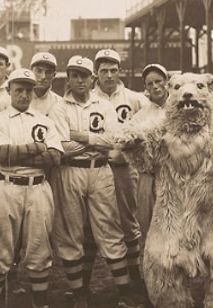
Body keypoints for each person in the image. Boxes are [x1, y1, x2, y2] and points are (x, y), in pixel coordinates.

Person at [48, 56, 139, 308]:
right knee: (71, 232)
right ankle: (79, 295)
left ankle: (124, 292)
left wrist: (79, 136)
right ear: (69, 77)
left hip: (100, 170)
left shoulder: (104, 105)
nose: (80, 80)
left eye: (84, 75)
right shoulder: (59, 107)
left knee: (110, 228)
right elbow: (61, 148)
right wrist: (93, 140)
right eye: (75, 75)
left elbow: (113, 140)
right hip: (69, 172)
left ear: (92, 78)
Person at [0, 69, 63, 308]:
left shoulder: (44, 120)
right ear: (9, 90)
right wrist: (37, 147)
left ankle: (40, 304)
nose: (24, 94)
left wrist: (18, 153)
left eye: (29, 89)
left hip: (37, 189)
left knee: (39, 250)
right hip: (4, 187)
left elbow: (55, 157)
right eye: (19, 89)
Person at [92, 49, 148, 291]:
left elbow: (147, 129)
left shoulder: (135, 98)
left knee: (129, 219)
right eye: (104, 70)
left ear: (120, 71)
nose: (109, 75)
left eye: (114, 70)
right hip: (97, 166)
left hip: (125, 168)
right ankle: (84, 282)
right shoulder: (89, 97)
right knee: (91, 222)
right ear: (96, 73)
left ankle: (134, 276)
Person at [130, 64, 169, 244]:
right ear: (145, 87)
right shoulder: (140, 116)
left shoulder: (181, 108)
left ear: (166, 82)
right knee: (148, 226)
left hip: (176, 175)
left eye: (158, 81)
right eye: (150, 83)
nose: (155, 86)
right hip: (149, 175)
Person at [30, 51, 62, 115]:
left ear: (54, 75)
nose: (43, 76)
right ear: (31, 72)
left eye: (48, 72)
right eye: (39, 71)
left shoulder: (59, 103)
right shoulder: (18, 101)